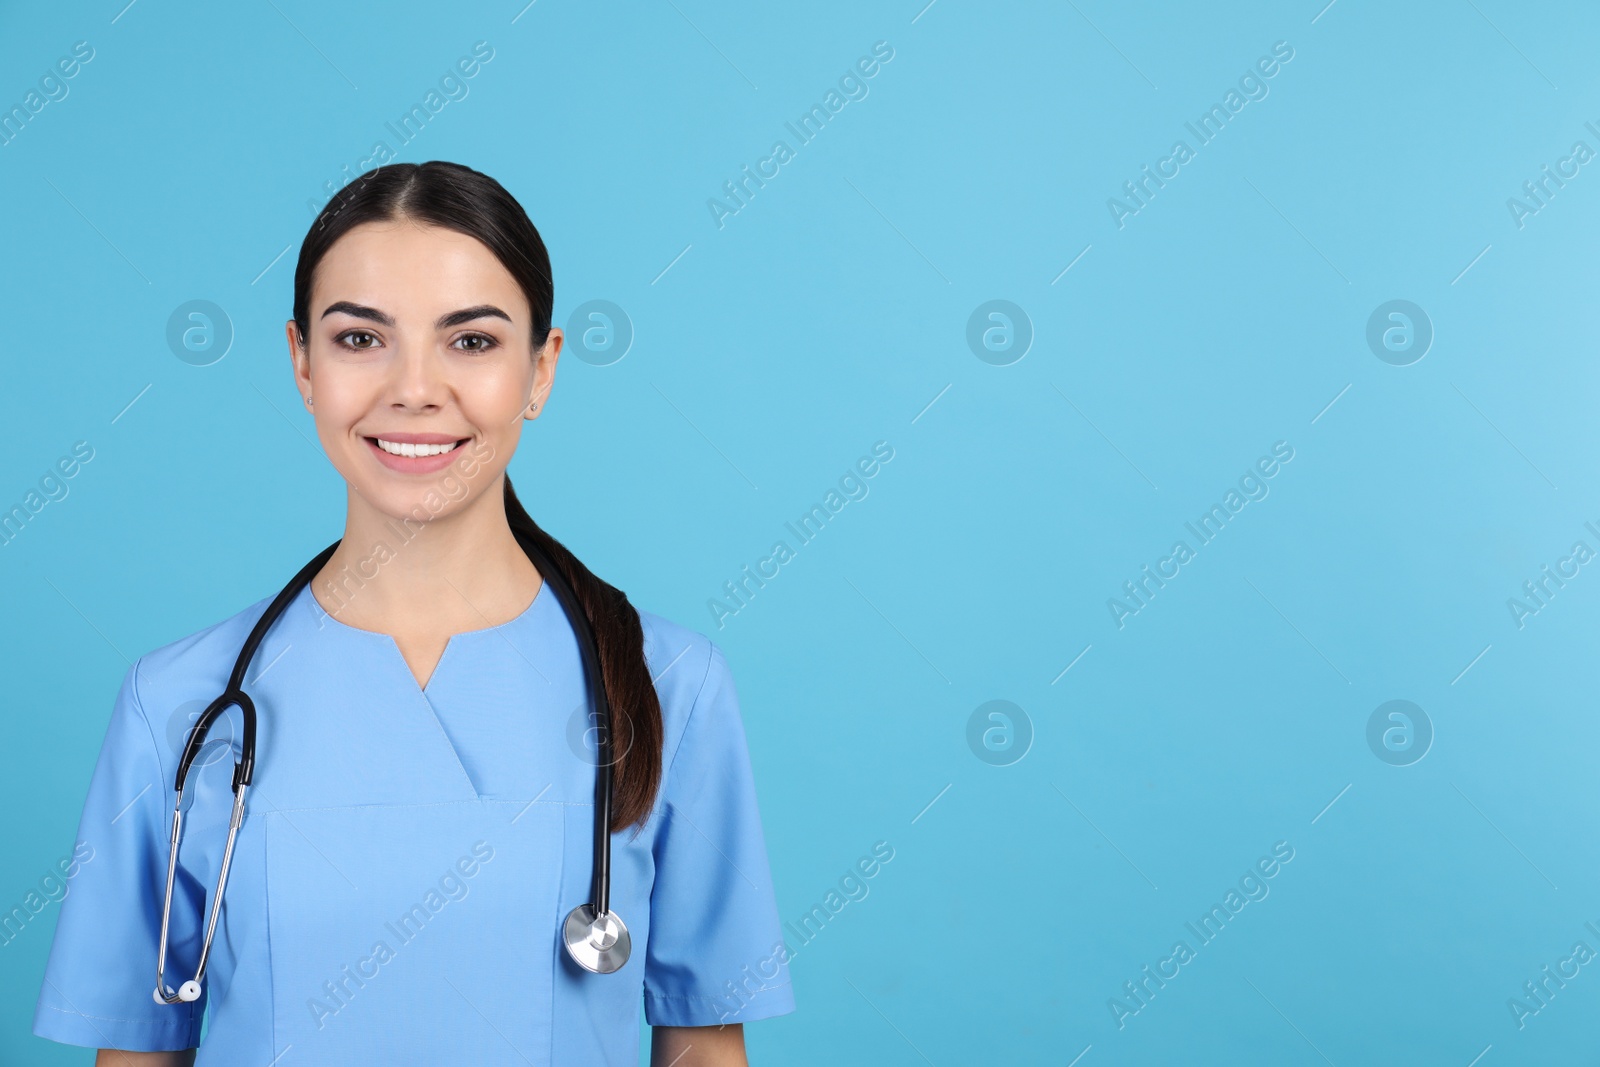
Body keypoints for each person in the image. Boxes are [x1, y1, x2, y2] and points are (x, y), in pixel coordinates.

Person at [31, 160, 795, 1065]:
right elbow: (135, 1052)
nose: (415, 389)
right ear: (302, 364)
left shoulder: (673, 687)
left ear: (540, 371)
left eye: (471, 342)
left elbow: (703, 1047)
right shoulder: (177, 706)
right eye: (361, 340)